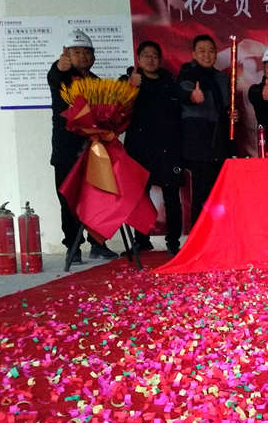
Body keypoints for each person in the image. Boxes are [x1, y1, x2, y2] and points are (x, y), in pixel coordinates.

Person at [47, 29, 118, 263]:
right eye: (76, 52)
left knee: (97, 196)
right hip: (66, 151)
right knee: (68, 198)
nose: (83, 56)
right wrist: (59, 67)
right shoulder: (61, 76)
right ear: (66, 54)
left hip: (94, 150)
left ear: (94, 56)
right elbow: (55, 75)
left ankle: (98, 244)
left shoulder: (96, 82)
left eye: (87, 52)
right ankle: (73, 247)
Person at [122, 41, 183, 255]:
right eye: (146, 55)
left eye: (155, 55)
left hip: (168, 148)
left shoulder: (170, 81)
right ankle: (141, 240)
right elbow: (117, 107)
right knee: (140, 195)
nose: (150, 59)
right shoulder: (128, 80)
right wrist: (131, 86)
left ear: (160, 59)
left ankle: (173, 242)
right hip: (140, 148)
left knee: (172, 196)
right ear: (138, 58)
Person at [176, 34, 238, 225]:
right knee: (201, 196)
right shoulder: (187, 74)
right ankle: (198, 235)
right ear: (194, 54)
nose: (207, 55)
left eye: (211, 51)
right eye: (201, 51)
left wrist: (232, 115)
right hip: (199, 147)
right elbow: (183, 92)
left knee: (220, 195)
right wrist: (192, 96)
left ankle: (218, 236)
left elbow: (226, 109)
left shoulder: (222, 78)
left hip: (220, 144)